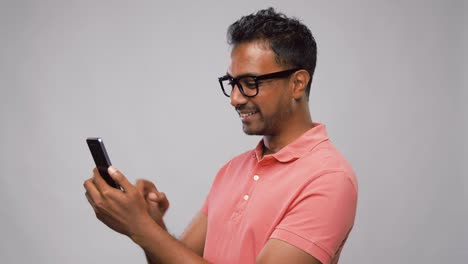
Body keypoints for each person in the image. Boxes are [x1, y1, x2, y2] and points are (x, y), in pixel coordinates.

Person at [84, 7, 357, 264]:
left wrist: (139, 227)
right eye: (232, 83)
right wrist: (152, 224)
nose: (235, 99)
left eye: (250, 83)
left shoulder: (330, 179)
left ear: (297, 83)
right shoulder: (232, 170)